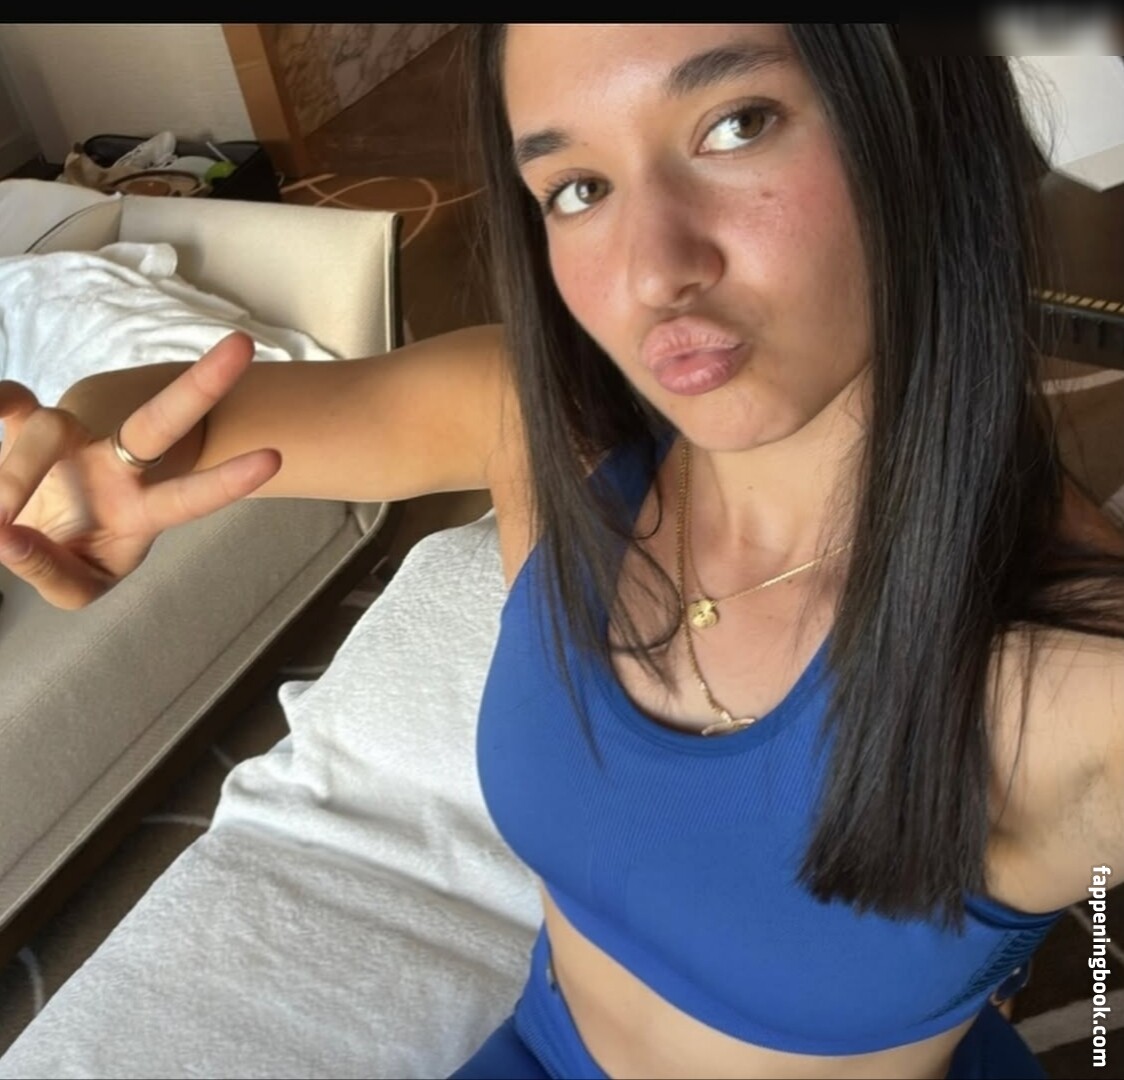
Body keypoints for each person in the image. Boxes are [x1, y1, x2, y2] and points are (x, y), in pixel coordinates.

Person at [0, 24, 1121, 1080]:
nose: (649, 272)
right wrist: (84, 449)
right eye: (577, 188)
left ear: (916, 113)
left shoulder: (1081, 676)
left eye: (735, 125)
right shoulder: (551, 436)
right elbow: (177, 420)